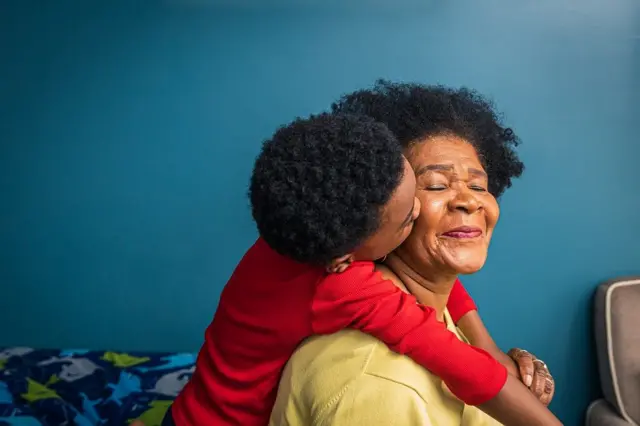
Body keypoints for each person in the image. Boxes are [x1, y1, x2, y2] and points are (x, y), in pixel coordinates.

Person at [166, 112, 539, 426]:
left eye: (477, 184)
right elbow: (464, 369)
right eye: (410, 218)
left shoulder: (304, 224)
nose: (418, 210)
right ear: (346, 259)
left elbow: (437, 276)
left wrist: (490, 348)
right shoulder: (345, 290)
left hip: (196, 401)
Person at [267, 81, 561, 425]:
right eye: (436, 185)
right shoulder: (373, 381)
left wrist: (505, 361)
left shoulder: (430, 298)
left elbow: (473, 353)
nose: (469, 200)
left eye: (479, 186)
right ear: (377, 208)